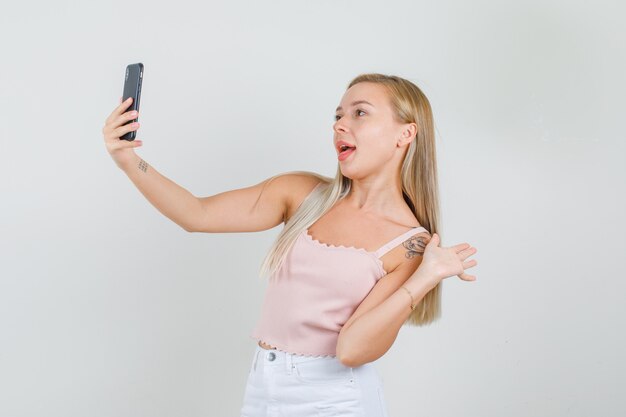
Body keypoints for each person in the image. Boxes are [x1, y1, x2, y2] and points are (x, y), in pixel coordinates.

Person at [102, 72, 478, 417]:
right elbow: (196, 214)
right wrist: (127, 159)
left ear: (405, 134)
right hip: (263, 387)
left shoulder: (410, 246)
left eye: (360, 113)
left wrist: (424, 278)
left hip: (336, 400)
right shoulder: (303, 194)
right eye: (338, 115)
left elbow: (352, 349)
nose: (340, 125)